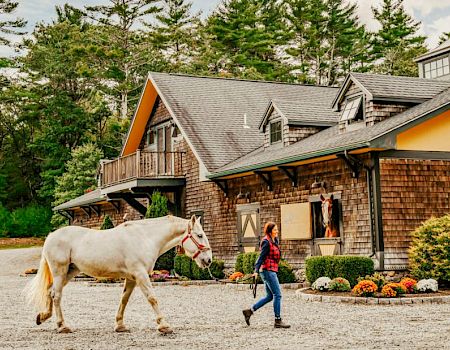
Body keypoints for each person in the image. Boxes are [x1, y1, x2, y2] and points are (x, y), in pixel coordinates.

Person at [242, 222, 290, 328]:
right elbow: (261, 257)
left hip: (271, 270)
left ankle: (249, 311)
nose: (277, 231)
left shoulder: (274, 240)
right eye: (275, 230)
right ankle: (278, 320)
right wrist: (256, 270)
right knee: (278, 295)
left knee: (269, 296)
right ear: (269, 231)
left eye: (277, 229)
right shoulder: (266, 242)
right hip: (268, 271)